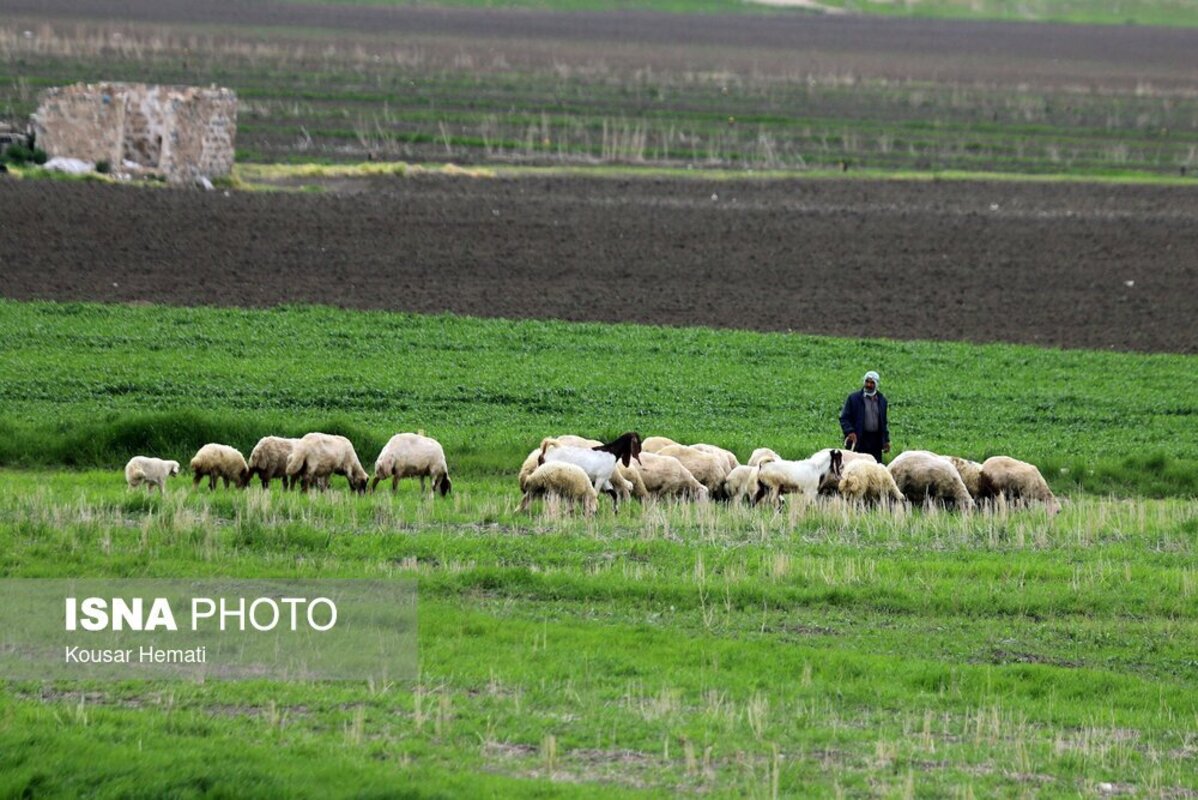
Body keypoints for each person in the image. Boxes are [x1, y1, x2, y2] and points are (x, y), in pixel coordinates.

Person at [839, 370, 890, 463]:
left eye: (872, 383)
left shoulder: (882, 400)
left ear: (876, 384)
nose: (869, 385)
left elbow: (883, 422)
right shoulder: (854, 398)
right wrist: (850, 431)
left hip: (875, 441)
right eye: (867, 382)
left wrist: (886, 440)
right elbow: (844, 418)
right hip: (859, 439)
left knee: (875, 468)